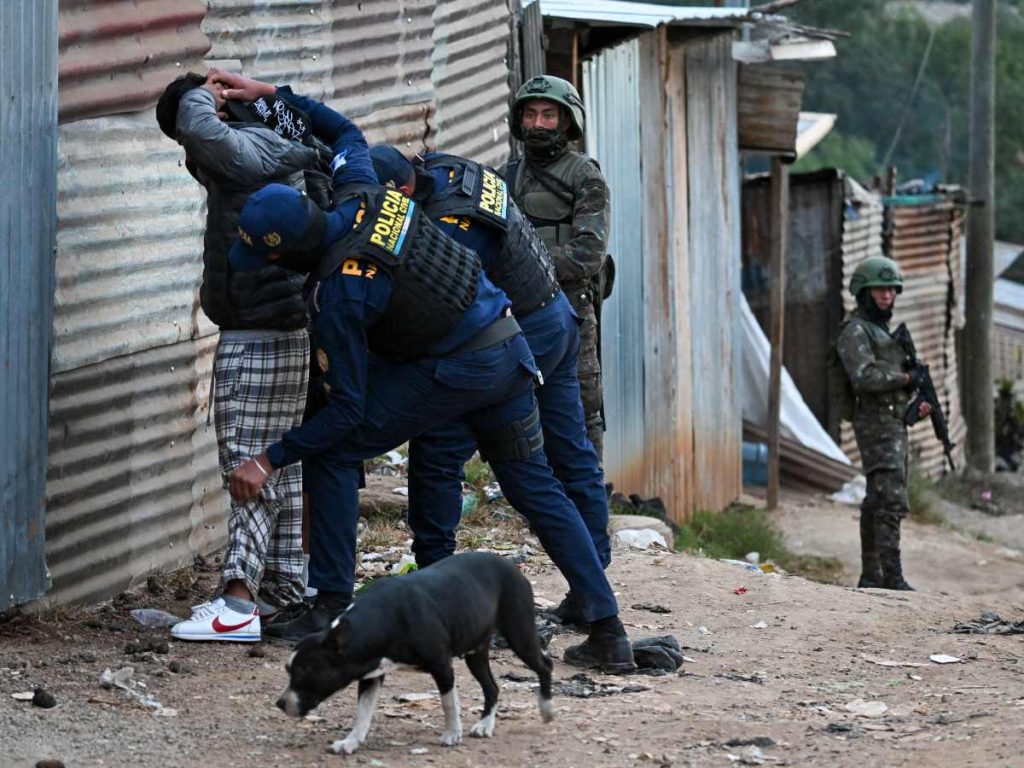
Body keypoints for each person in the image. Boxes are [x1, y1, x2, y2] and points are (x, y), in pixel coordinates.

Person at [216, 75, 635, 673]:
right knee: (533, 484)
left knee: (333, 451)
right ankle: (607, 630)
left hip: (467, 365)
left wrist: (269, 458)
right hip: (509, 347)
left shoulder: (342, 294)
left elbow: (348, 412)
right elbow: (343, 131)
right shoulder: (360, 187)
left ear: (282, 254)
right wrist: (269, 94)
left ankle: (330, 603)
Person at [369, 145, 610, 627]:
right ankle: (594, 589)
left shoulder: (449, 228)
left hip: (517, 339)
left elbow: (438, 311)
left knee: (441, 451)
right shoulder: (451, 171)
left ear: (404, 191)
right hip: (554, 320)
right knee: (566, 455)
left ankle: (434, 586)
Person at [155, 71, 322, 642]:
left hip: (259, 331)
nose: (190, 151)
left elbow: (202, 131)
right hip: (279, 326)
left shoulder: (247, 147)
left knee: (246, 465)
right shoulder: (270, 142)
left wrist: (203, 94)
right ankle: (282, 591)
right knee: (277, 463)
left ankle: (237, 602)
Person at [501, 75, 611, 462]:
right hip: (518, 313)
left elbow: (588, 253)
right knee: (520, 406)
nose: (538, 124)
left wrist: (529, 270)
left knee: (582, 407)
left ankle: (588, 492)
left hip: (571, 309)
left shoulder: (585, 175)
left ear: (566, 121)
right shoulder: (506, 176)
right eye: (530, 114)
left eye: (548, 115)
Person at [837, 256, 932, 591]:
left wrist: (915, 404)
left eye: (891, 290)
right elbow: (863, 377)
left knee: (878, 499)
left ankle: (872, 575)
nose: (886, 296)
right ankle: (892, 576)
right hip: (874, 423)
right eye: (879, 290)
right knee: (890, 498)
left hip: (891, 421)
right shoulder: (855, 331)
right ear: (864, 292)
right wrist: (905, 378)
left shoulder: (881, 331)